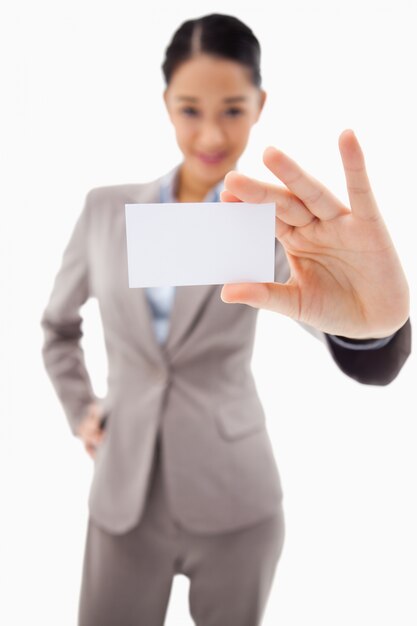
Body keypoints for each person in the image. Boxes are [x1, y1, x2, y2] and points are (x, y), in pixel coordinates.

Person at [40, 13, 411, 626]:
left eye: (233, 110)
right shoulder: (104, 211)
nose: (211, 132)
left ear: (260, 103)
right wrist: (82, 408)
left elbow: (334, 321)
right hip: (124, 493)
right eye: (190, 109)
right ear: (166, 104)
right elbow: (58, 327)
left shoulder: (277, 226)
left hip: (236, 498)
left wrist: (373, 325)